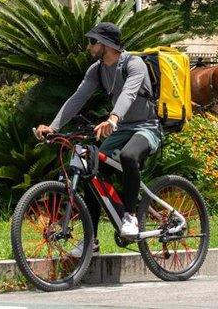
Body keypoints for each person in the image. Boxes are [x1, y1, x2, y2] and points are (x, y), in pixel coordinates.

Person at [34, 22, 162, 257]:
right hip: (121, 128)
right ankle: (91, 240)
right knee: (90, 172)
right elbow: (77, 99)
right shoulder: (97, 70)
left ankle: (130, 216)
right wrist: (52, 127)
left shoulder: (134, 64)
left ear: (106, 44)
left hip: (147, 127)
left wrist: (113, 118)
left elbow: (129, 93)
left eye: (92, 41)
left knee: (128, 156)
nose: (89, 46)